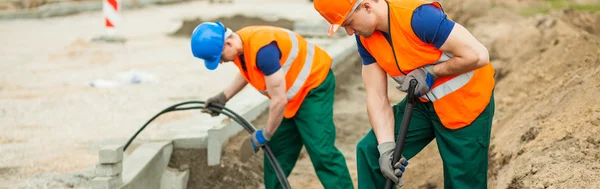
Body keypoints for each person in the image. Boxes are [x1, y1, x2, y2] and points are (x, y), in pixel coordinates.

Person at [313, 0, 496, 188]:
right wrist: (386, 149)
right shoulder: (365, 38)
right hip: (424, 102)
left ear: (367, 6)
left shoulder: (419, 17)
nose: (350, 32)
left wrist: (432, 73)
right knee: (371, 152)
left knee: (463, 181)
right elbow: (376, 95)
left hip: (466, 102)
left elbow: (478, 55)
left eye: (349, 23)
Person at [189, 22, 354, 189]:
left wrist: (265, 134)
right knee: (277, 150)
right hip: (290, 95)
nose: (221, 62)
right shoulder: (241, 45)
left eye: (220, 58)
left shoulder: (264, 52)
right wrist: (223, 97)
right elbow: (248, 71)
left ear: (228, 43)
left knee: (321, 150)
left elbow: (279, 101)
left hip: (313, 87)